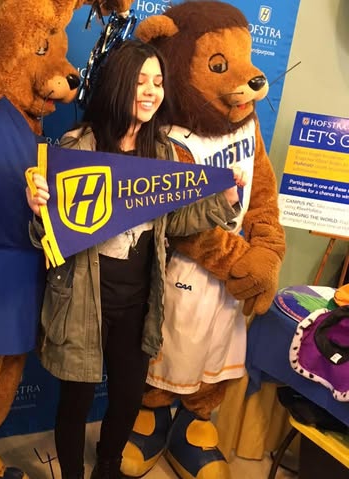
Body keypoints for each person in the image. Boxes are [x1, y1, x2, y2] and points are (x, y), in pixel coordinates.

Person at [26, 39, 245, 479]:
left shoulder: (162, 150)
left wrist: (222, 198)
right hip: (83, 299)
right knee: (76, 401)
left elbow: (176, 220)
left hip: (138, 301)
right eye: (141, 81)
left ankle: (108, 465)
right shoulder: (79, 147)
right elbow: (46, 236)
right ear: (118, 85)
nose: (151, 91)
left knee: (127, 398)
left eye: (158, 82)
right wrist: (39, 209)